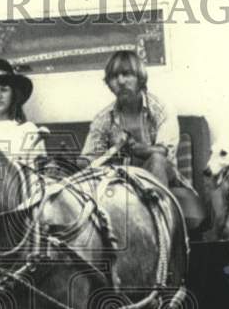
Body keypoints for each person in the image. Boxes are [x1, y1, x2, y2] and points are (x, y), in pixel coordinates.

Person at [81, 50, 204, 228]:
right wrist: (107, 153)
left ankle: (159, 224)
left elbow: (164, 151)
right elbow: (87, 161)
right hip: (120, 183)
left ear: (140, 78)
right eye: (114, 77)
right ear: (108, 83)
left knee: (156, 159)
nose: (121, 81)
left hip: (161, 177)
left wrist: (132, 146)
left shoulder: (160, 109)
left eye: (127, 74)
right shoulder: (103, 119)